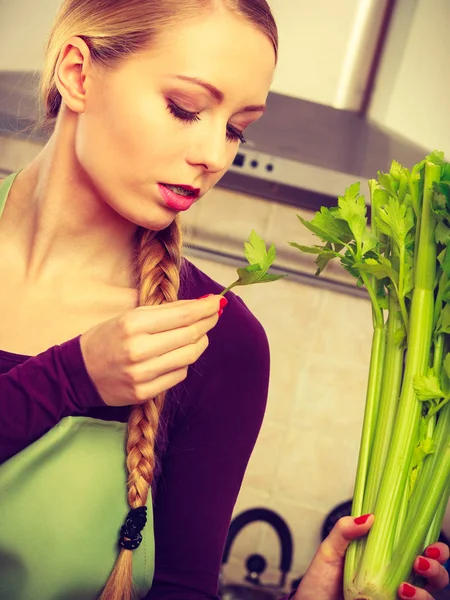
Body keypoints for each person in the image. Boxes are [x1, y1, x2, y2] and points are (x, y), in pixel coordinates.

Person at [0, 1, 447, 599]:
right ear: (78, 74)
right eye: (185, 109)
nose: (215, 155)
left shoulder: (219, 340)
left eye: (237, 128)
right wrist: (71, 377)